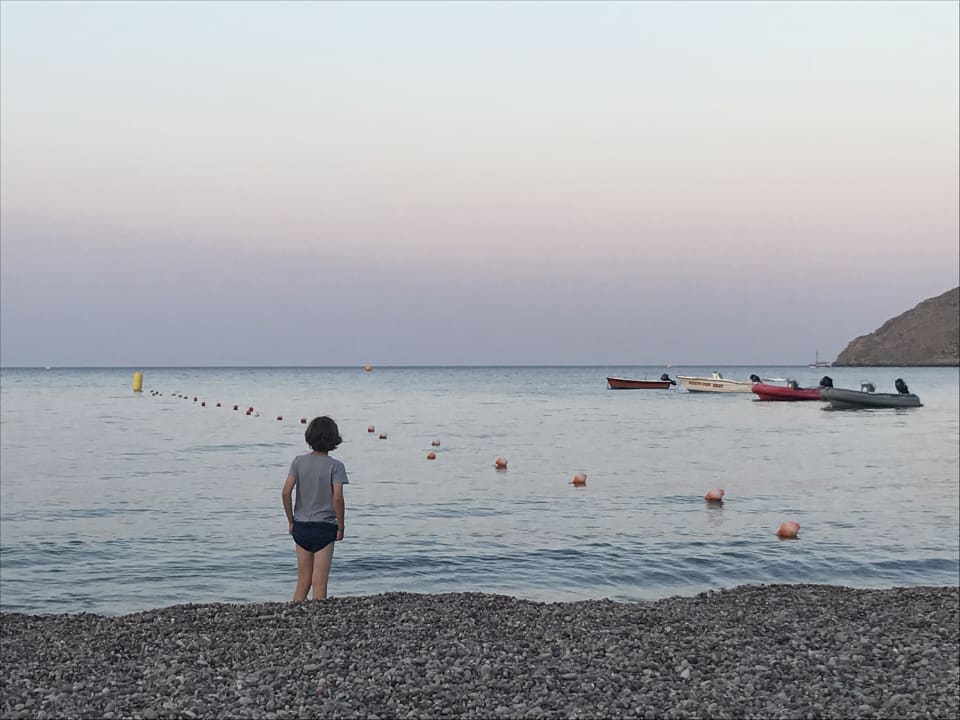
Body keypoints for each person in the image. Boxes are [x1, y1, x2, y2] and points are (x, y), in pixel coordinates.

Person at [281, 416, 347, 601]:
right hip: (324, 527)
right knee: (319, 581)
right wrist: (341, 527)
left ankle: (294, 616)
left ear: (309, 437)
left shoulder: (298, 462)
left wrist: (291, 520)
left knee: (303, 581)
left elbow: (286, 492)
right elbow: (338, 498)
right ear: (334, 439)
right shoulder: (336, 466)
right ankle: (317, 621)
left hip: (301, 525)